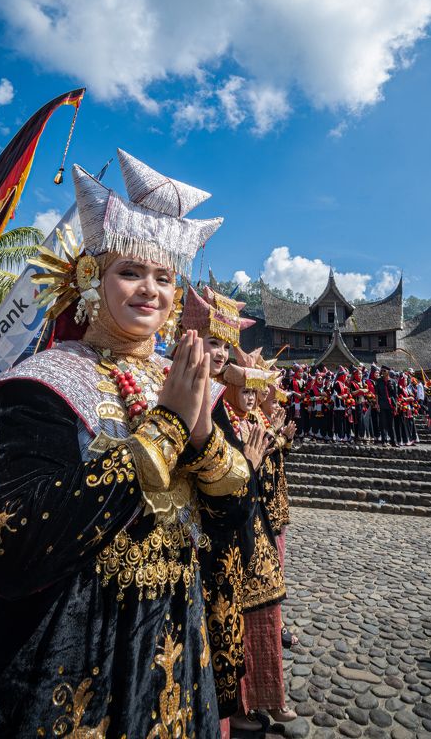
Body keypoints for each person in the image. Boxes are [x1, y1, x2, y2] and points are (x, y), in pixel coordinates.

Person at [0, 151, 251, 739]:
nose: (151, 289)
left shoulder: (177, 380)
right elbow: (13, 550)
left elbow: (235, 518)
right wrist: (166, 429)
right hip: (71, 637)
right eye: (130, 272)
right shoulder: (39, 386)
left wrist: (201, 436)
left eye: (165, 277)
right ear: (89, 278)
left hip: (175, 631)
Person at [178, 283, 260, 737]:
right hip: (194, 551)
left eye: (228, 345)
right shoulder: (179, 396)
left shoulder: (214, 401)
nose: (223, 353)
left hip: (223, 546)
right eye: (214, 342)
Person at [220, 355, 295, 730]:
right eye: (245, 390)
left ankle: (270, 697)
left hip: (258, 525)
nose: (252, 397)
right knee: (238, 621)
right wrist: (254, 457)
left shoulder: (251, 422)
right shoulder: (220, 423)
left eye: (256, 390)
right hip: (234, 533)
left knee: (266, 613)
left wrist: (276, 441)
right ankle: (240, 705)